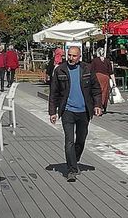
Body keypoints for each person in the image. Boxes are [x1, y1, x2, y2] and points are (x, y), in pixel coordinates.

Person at [49, 46, 102, 182]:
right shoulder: (60, 70)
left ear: (79, 57)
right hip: (67, 111)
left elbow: (96, 89)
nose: (71, 58)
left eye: (74, 56)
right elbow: (53, 93)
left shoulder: (87, 69)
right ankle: (71, 170)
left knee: (81, 140)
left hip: (84, 111)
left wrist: (97, 105)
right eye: (69, 55)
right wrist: (52, 112)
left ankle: (74, 160)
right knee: (69, 141)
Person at [89, 48, 114, 113]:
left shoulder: (94, 61)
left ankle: (97, 106)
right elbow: (111, 72)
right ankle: (102, 106)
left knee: (96, 91)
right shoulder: (107, 61)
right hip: (105, 78)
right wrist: (114, 82)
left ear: (97, 53)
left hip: (97, 77)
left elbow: (91, 71)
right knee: (104, 92)